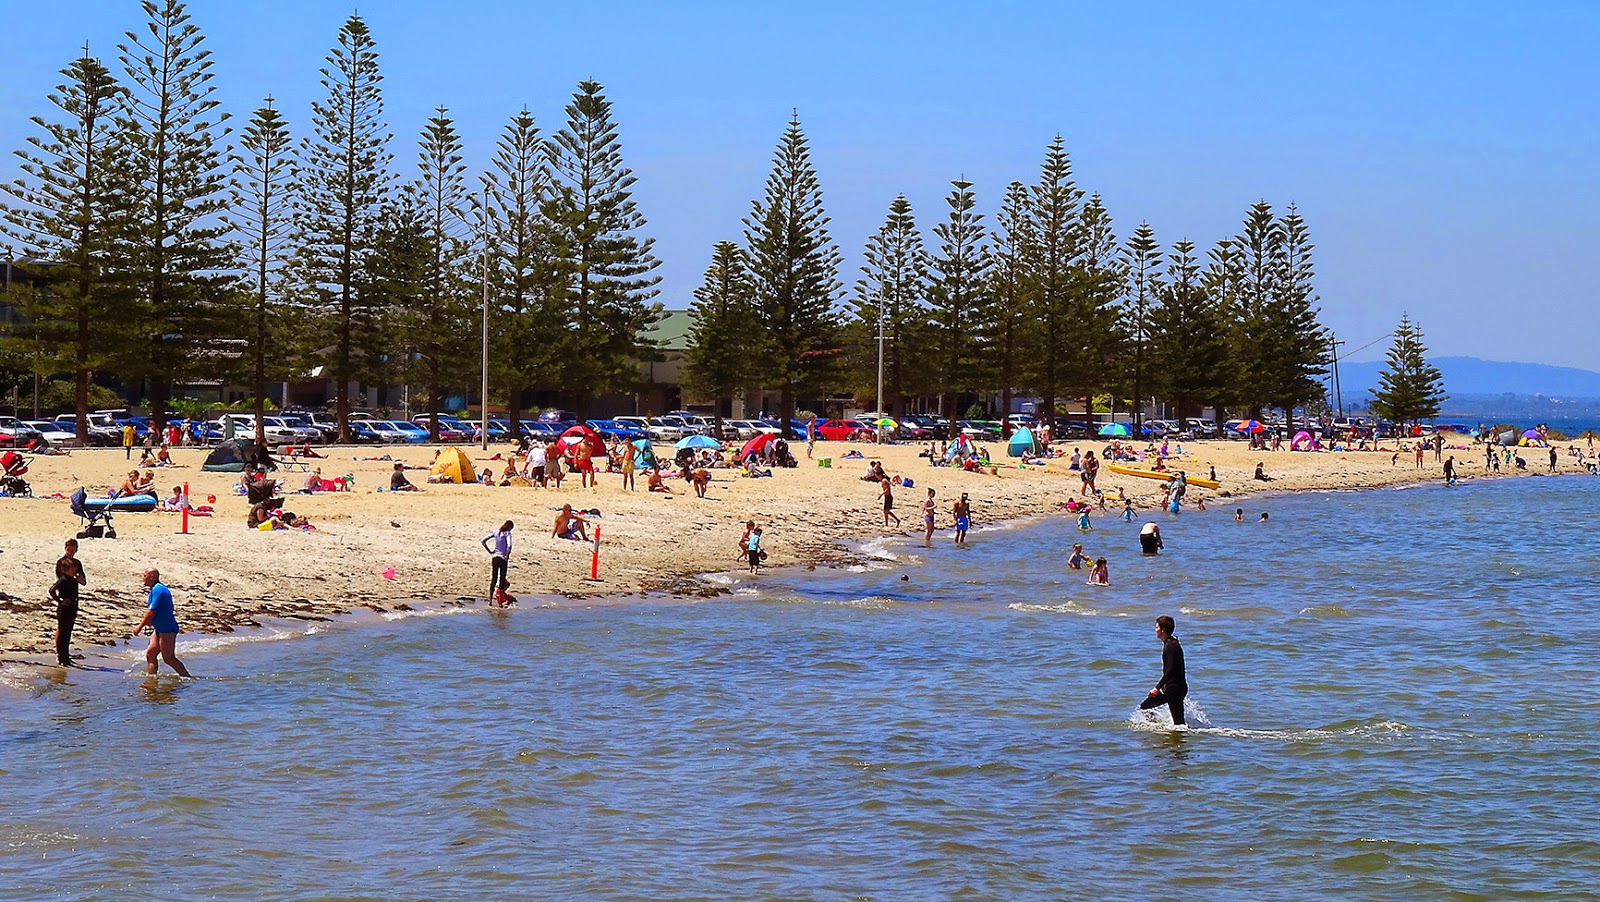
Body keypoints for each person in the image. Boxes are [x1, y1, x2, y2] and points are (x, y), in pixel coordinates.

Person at [132, 568, 191, 677]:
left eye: (144, 575)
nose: (143, 578)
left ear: (152, 577)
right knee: (151, 654)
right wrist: (151, 621)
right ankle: (151, 680)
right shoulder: (154, 589)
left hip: (167, 629)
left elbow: (152, 611)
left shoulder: (158, 589)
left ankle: (188, 678)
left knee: (168, 658)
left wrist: (139, 627)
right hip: (159, 628)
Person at [1138, 615, 1187, 727]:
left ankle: (1158, 729)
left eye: (1157, 628)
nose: (1155, 630)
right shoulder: (1173, 643)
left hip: (1173, 689)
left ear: (1162, 630)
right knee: (1179, 724)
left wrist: (1157, 687)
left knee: (1145, 707)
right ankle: (1171, 735)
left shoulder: (1170, 646)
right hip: (1178, 687)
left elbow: (1171, 670)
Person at [52, 539, 87, 666]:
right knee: (61, 628)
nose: (71, 551)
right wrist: (60, 600)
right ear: (65, 548)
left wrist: (79, 579)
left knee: (68, 629)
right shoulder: (61, 563)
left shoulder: (77, 563)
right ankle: (59, 654)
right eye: (69, 549)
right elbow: (60, 581)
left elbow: (83, 580)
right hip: (64, 597)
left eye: (73, 549)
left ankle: (64, 654)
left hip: (73, 598)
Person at [482, 520, 514, 605]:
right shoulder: (507, 534)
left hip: (495, 557)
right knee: (502, 579)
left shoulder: (496, 532)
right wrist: (507, 554)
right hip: (503, 558)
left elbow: (483, 540)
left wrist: (490, 551)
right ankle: (499, 602)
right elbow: (509, 545)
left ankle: (490, 601)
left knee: (494, 578)